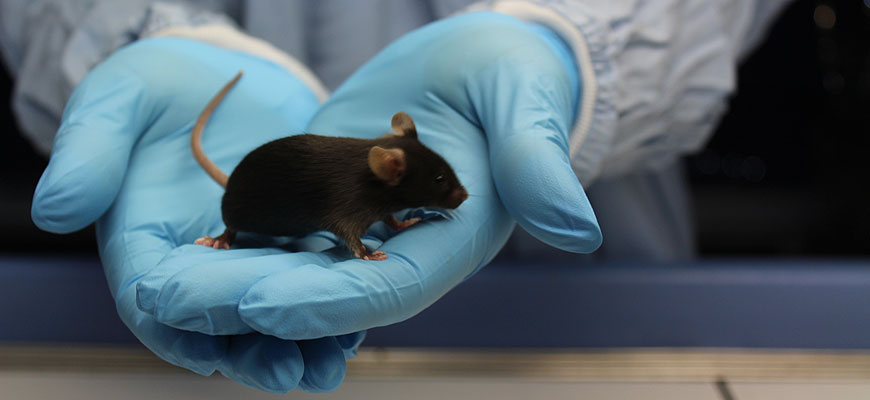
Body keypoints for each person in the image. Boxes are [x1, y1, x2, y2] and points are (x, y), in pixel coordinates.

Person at [0, 0, 790, 393]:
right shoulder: (365, 188)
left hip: (589, 324)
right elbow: (347, 217)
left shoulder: (385, 174)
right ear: (391, 168)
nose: (452, 192)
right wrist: (127, 31)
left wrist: (572, 43)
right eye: (436, 186)